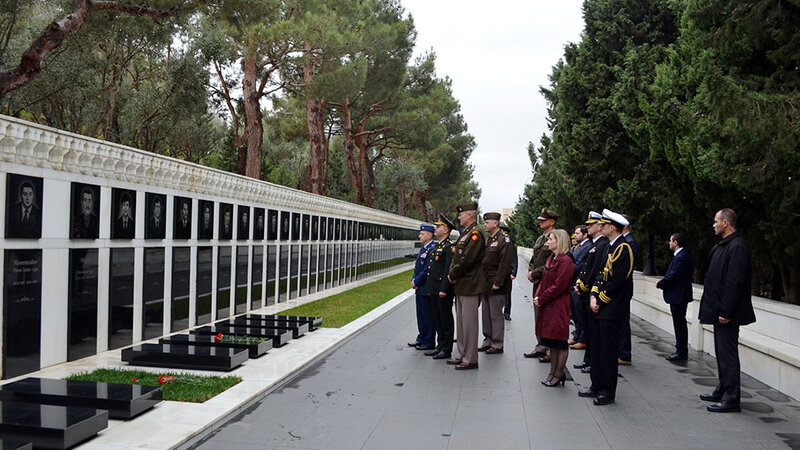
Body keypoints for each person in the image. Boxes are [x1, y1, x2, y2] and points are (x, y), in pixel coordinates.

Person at [698, 208, 756, 413]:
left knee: (728, 354)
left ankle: (731, 398)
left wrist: (726, 311)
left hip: (727, 313)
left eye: (716, 221)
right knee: (722, 353)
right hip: (718, 311)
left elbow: (734, 283)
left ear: (726, 223)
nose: (713, 225)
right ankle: (723, 388)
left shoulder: (737, 247)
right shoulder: (723, 246)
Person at [579, 209, 634, 406]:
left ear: (612, 227)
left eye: (604, 224)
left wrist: (600, 299)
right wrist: (593, 295)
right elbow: (600, 275)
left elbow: (618, 280)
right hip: (600, 306)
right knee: (597, 347)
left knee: (608, 351)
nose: (600, 227)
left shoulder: (623, 248)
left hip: (612, 308)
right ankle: (596, 385)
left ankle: (607, 391)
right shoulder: (609, 247)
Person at [447, 202, 489, 370]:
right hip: (463, 284)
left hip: (470, 283)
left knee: (469, 323)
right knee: (462, 323)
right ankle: (462, 354)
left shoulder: (476, 234)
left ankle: (470, 358)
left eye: (461, 214)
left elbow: (468, 260)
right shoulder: (467, 233)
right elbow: (457, 257)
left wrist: (453, 274)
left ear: (470, 215)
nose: (459, 217)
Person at [533, 229, 574, 387]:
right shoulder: (552, 258)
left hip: (558, 305)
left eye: (550, 239)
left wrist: (542, 298)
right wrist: (538, 295)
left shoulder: (565, 261)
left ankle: (558, 373)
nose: (547, 242)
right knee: (551, 340)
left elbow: (559, 286)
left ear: (559, 241)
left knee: (559, 341)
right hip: (548, 305)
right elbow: (544, 281)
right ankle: (552, 372)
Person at [479, 212, 515, 354]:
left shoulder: (504, 240)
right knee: (486, 314)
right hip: (486, 282)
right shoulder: (489, 239)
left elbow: (505, 264)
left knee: (495, 315)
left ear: (496, 224)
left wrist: (498, 282)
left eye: (487, 223)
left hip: (496, 284)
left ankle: (497, 344)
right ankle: (487, 340)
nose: (485, 225)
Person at [524, 208, 558, 361]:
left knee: (548, 317)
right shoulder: (540, 239)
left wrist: (536, 273)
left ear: (552, 222)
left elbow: (553, 262)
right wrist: (531, 272)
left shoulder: (556, 237)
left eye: (543, 220)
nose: (540, 222)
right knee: (538, 315)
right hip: (538, 282)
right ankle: (541, 346)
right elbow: (534, 259)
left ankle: (551, 350)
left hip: (547, 282)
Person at [656, 232, 694, 361]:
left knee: (679, 324)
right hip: (679, 295)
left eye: (670, 241)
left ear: (676, 242)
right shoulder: (681, 256)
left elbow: (673, 275)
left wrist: (661, 283)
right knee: (679, 323)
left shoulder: (681, 257)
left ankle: (681, 351)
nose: (669, 243)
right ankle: (681, 350)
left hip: (679, 295)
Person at [425, 214, 457, 359]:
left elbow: (447, 271)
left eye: (438, 227)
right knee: (437, 319)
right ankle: (440, 345)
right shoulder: (439, 246)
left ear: (446, 230)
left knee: (445, 320)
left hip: (442, 290)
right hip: (434, 289)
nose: (435, 229)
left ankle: (447, 348)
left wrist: (444, 289)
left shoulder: (450, 247)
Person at [408, 223, 437, 351]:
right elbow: (417, 267)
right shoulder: (423, 249)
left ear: (430, 235)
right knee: (420, 315)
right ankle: (421, 337)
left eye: (422, 234)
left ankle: (429, 341)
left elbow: (427, 270)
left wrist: (417, 281)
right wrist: (414, 279)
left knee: (428, 315)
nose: (419, 236)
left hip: (425, 287)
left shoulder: (432, 249)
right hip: (419, 288)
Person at [618, 215, 638, 365]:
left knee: (623, 321)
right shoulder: (625, 241)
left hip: (623, 289)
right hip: (621, 288)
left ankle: (624, 354)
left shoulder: (629, 242)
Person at [569, 225, 591, 349]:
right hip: (573, 284)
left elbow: (578, 265)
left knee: (580, 313)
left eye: (577, 233)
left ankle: (582, 338)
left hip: (579, 284)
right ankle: (577, 336)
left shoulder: (587, 247)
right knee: (575, 313)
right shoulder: (579, 247)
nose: (575, 235)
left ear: (585, 234)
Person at [500, 223, 517, 321]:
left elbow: (514, 257)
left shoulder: (508, 241)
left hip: (507, 272)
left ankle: (507, 312)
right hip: (498, 272)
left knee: (507, 294)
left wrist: (513, 272)